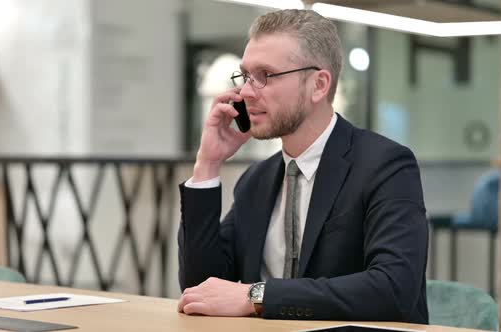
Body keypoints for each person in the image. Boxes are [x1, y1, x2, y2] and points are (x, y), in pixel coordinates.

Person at [177, 9, 428, 323]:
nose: (245, 92)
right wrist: (207, 164)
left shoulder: (386, 166)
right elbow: (201, 291)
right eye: (245, 76)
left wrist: (255, 296)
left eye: (265, 75)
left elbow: (394, 289)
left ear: (319, 85)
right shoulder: (257, 180)